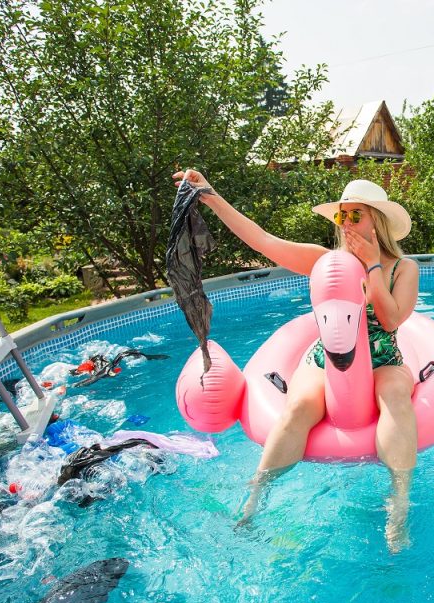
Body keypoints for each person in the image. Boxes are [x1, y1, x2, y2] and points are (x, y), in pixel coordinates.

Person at [172, 170, 420, 552]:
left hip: (382, 355)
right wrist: (210, 197)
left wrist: (372, 265)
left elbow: (390, 320)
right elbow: (263, 240)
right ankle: (254, 502)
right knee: (297, 408)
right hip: (326, 358)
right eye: (343, 216)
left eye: (358, 215)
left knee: (396, 401)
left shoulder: (404, 269)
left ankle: (398, 506)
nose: (348, 223)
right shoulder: (326, 262)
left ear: (378, 220)